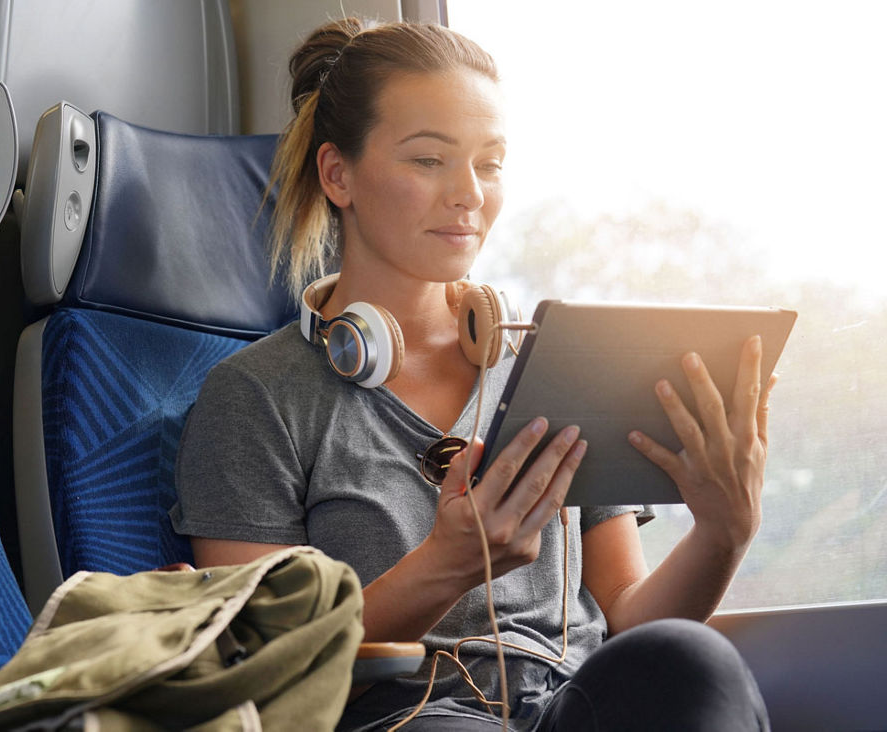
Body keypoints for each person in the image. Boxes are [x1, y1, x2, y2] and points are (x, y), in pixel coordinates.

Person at [170, 17, 774, 731]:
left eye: (489, 163)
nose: (469, 194)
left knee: (689, 659)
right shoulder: (256, 397)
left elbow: (632, 615)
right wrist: (449, 563)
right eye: (429, 161)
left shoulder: (555, 367)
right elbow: (262, 662)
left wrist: (723, 533)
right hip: (407, 718)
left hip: (567, 707)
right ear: (339, 175)